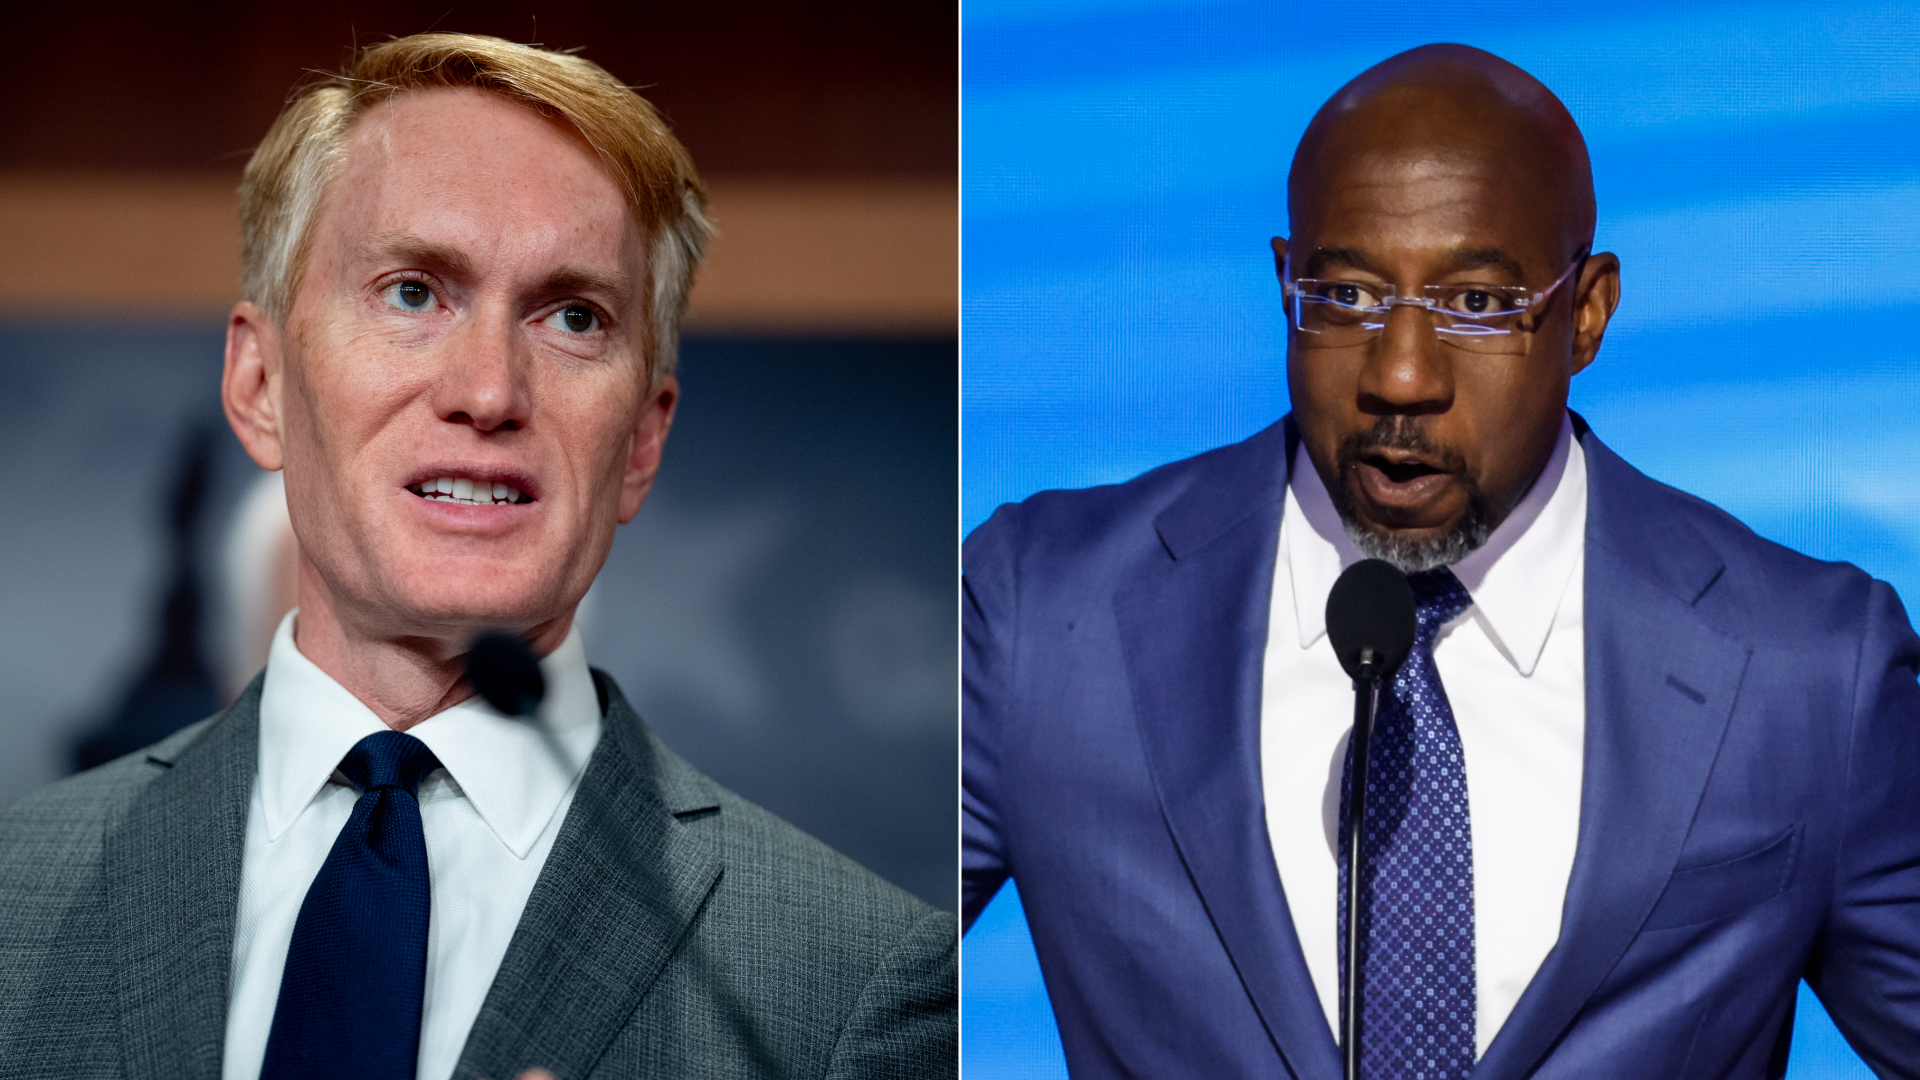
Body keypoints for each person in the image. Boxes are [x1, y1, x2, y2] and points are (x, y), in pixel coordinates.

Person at [0, 33, 955, 1080]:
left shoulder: (853, 989)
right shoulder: (16, 895)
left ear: (642, 443)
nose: (490, 391)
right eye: (413, 292)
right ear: (260, 384)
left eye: (574, 318)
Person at [962, 43, 1920, 1079]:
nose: (1402, 376)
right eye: (1346, 296)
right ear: (1284, 284)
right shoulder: (1040, 617)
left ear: (1587, 313)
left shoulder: (1807, 669)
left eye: (1475, 306)